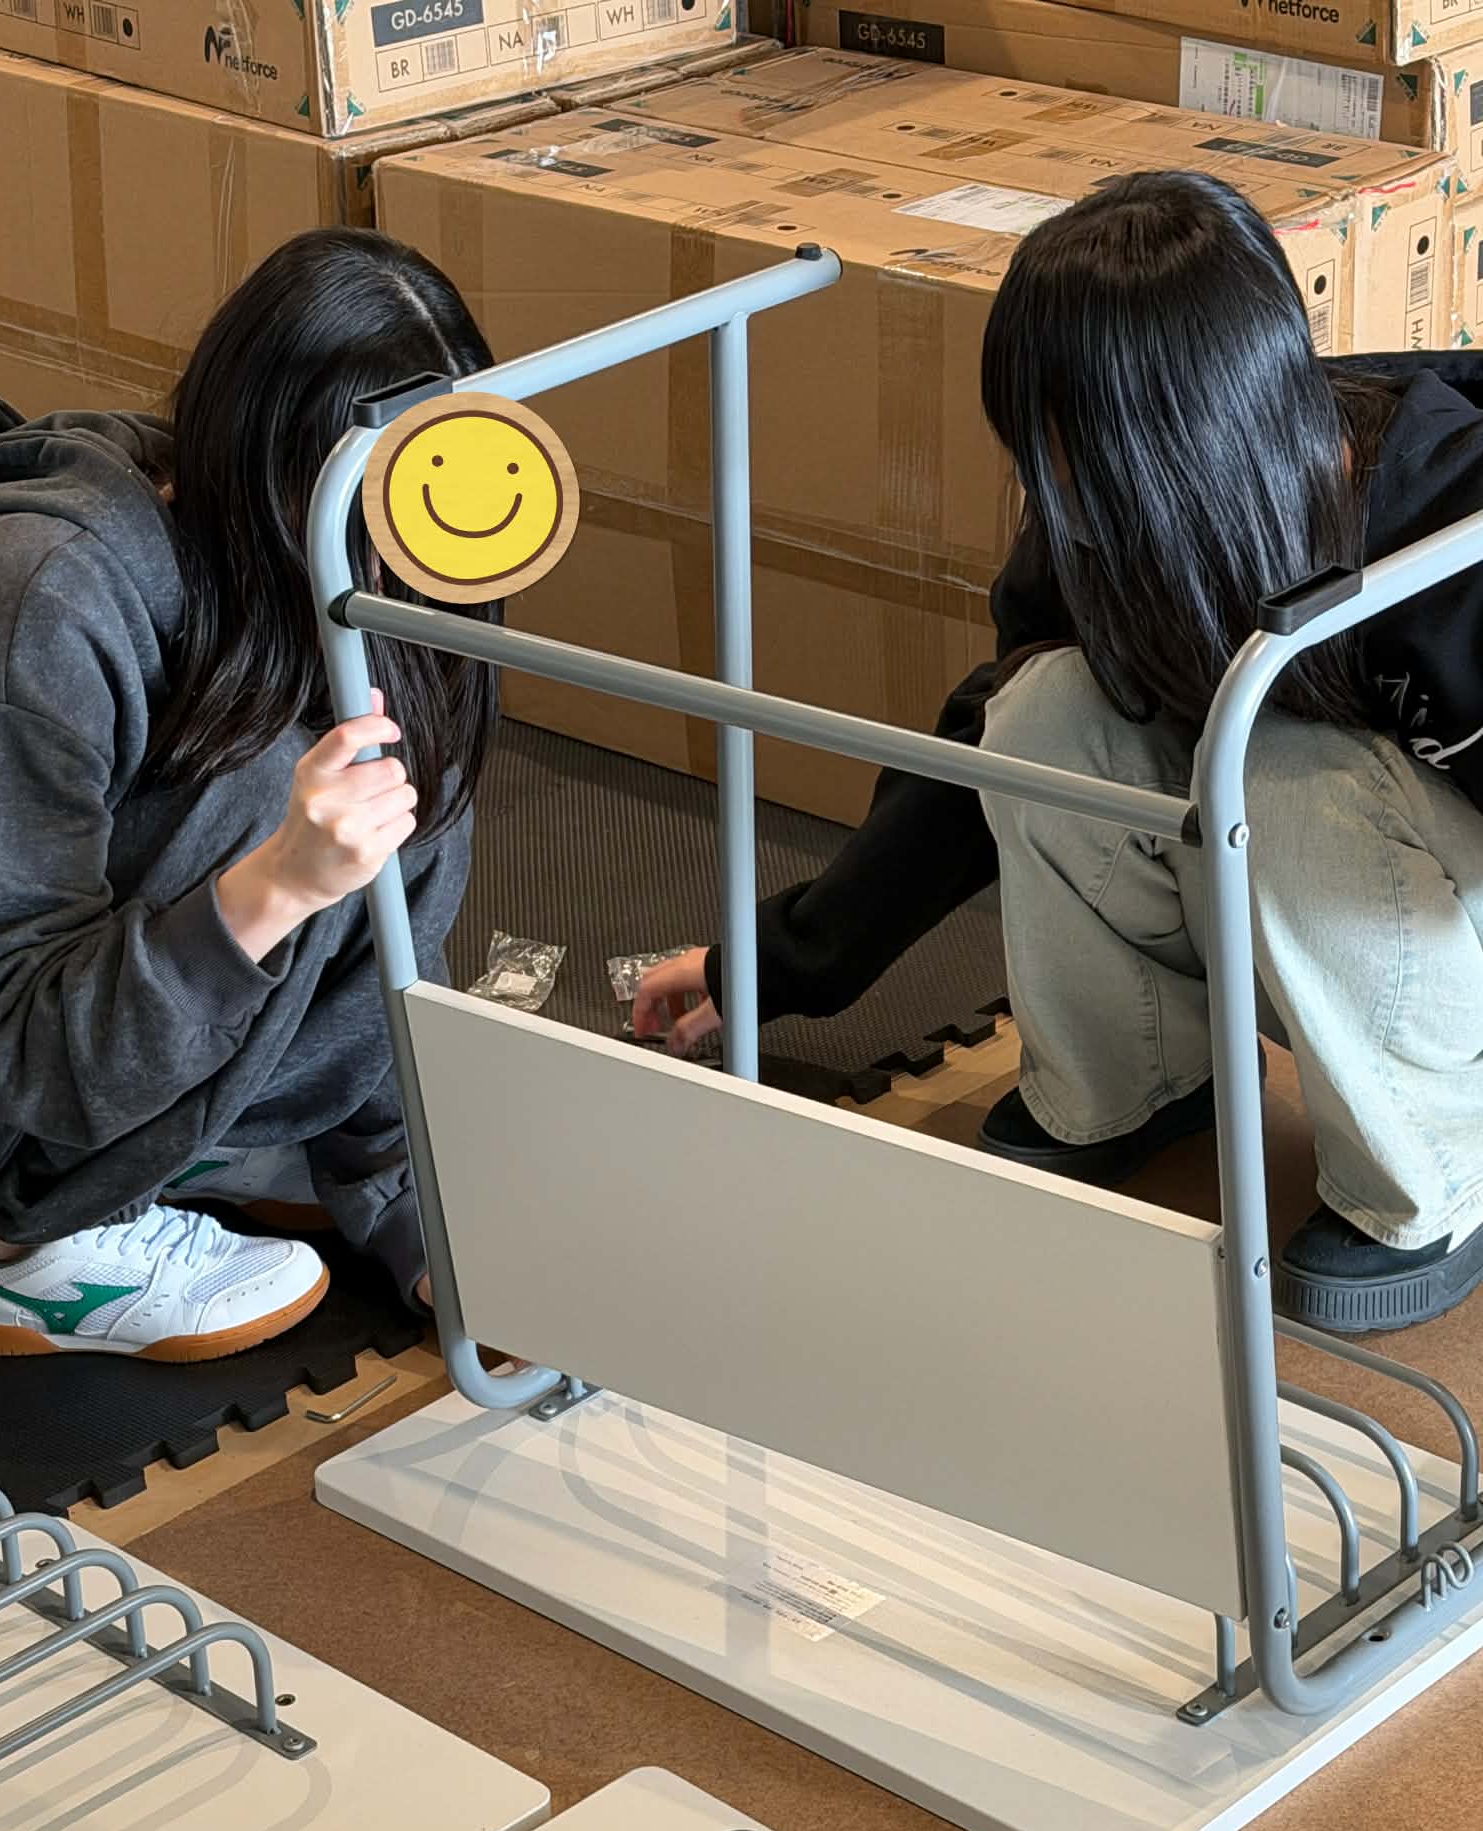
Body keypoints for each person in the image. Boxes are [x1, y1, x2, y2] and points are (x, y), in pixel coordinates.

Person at [635, 170, 1483, 1338]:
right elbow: (980, 761)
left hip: (1442, 929)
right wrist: (773, 966)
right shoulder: (1109, 523)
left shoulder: (1455, 525)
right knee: (1041, 713)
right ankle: (1135, 1079)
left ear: (1179, 440)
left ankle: (1429, 1182)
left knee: (1275, 766)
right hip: (1322, 907)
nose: (1052, 487)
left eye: (1073, 453)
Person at [0, 226, 497, 1360]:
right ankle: (14, 1246)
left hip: (82, 1038)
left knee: (388, 765)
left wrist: (413, 1198)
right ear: (278, 469)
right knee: (277, 795)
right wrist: (274, 886)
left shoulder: (284, 561)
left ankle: (247, 1141)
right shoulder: (39, 603)